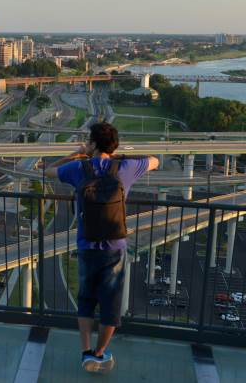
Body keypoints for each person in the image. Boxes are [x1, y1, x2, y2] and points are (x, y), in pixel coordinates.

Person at [44, 122, 159, 373]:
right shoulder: (125, 168)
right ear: (114, 146)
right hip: (115, 246)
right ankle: (99, 352)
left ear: (93, 144)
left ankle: (85, 352)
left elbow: (49, 170)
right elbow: (155, 160)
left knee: (86, 298)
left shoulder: (79, 167)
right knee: (111, 301)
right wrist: (121, 157)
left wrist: (76, 154)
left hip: (86, 243)